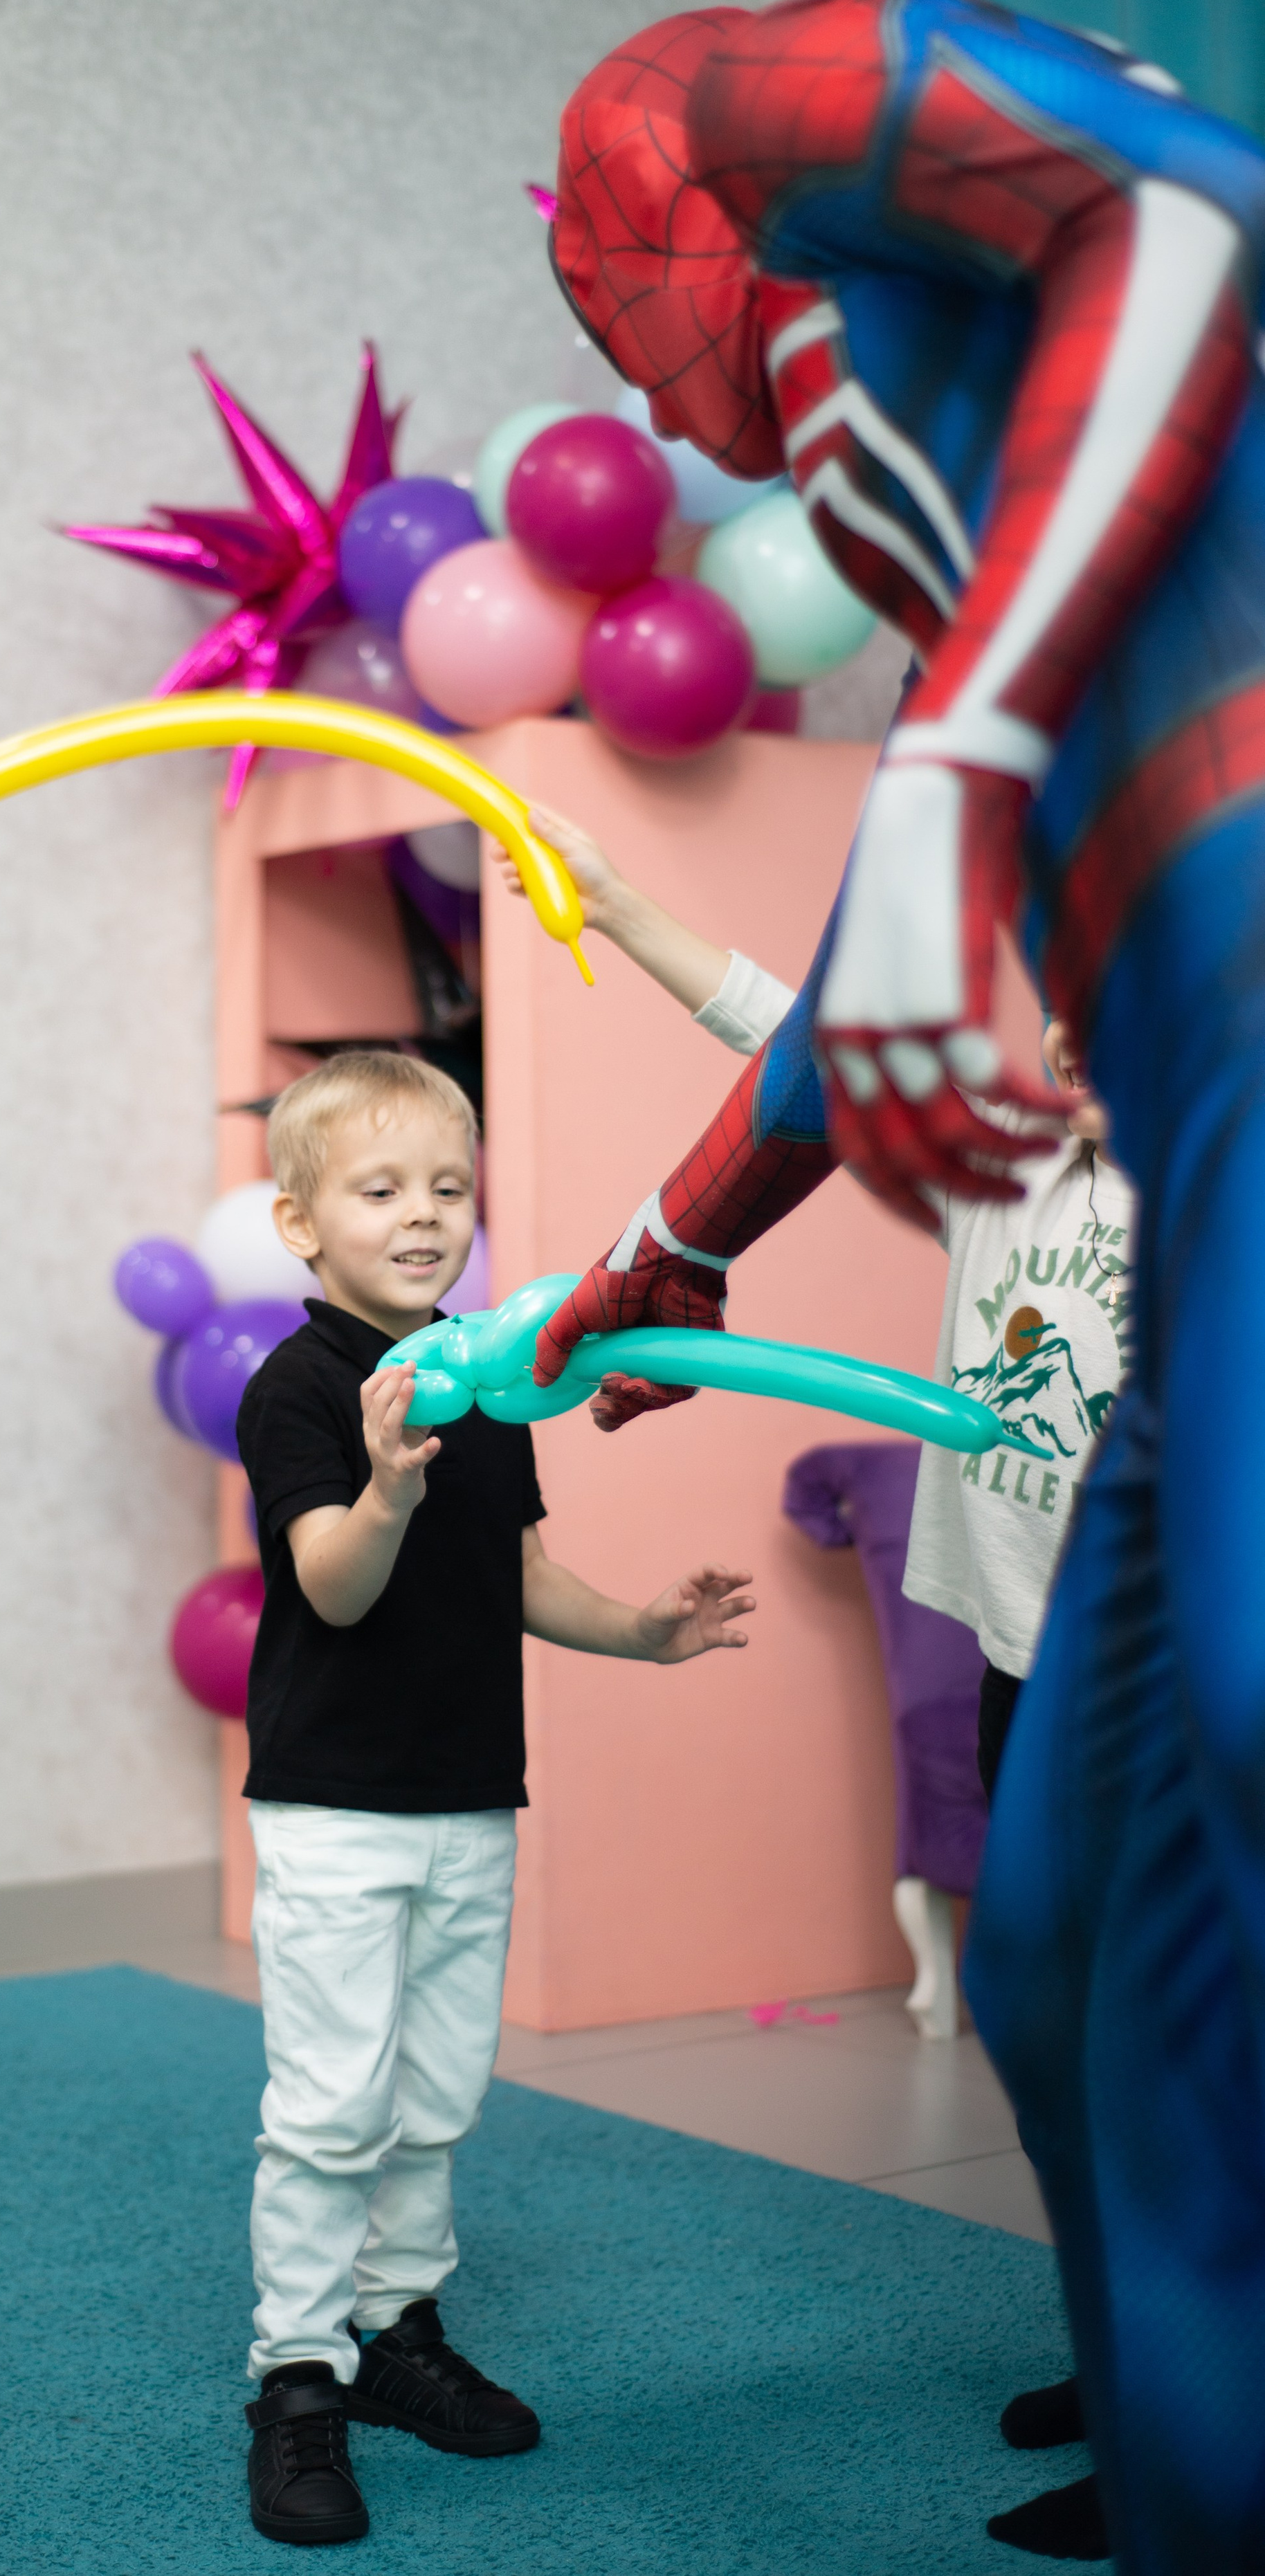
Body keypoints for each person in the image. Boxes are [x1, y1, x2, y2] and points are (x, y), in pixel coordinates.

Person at [535, 0, 1265, 2568]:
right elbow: (848, 998)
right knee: (1062, 1959)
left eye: (605, 295)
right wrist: (628, 1270)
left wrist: (951, 764)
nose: (635, 372)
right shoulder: (976, 562)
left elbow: (1181, 205)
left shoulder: (738, 108)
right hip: (1193, 1282)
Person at [508, 798, 1131, 2557]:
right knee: (1060, 2043)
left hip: (1150, 1680)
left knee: (1155, 2050)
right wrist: (622, 909)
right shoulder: (1002, 1148)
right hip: (1026, 1657)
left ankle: (1188, 2417)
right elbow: (797, 1043)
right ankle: (1118, 2349)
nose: (1075, 1032)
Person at [233, 1046, 754, 2547]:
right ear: (298, 1224)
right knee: (329, 2103)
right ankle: (296, 2377)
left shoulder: (497, 1371)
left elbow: (517, 1575)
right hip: (333, 1806)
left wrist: (644, 1632)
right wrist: (385, 1482)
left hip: (468, 1798)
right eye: (379, 1189)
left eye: (447, 1188)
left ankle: (397, 2330)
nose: (422, 1216)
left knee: (436, 2092)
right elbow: (330, 1585)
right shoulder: (302, 1385)